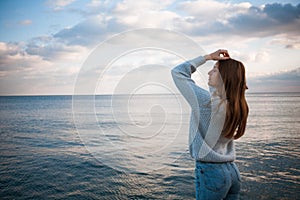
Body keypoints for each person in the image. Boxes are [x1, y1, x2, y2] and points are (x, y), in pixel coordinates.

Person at [171, 49, 248, 200]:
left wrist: (207, 57)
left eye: (214, 70)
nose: (209, 73)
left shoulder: (206, 102)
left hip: (212, 173)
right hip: (232, 172)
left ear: (223, 77)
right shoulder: (238, 105)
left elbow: (178, 72)